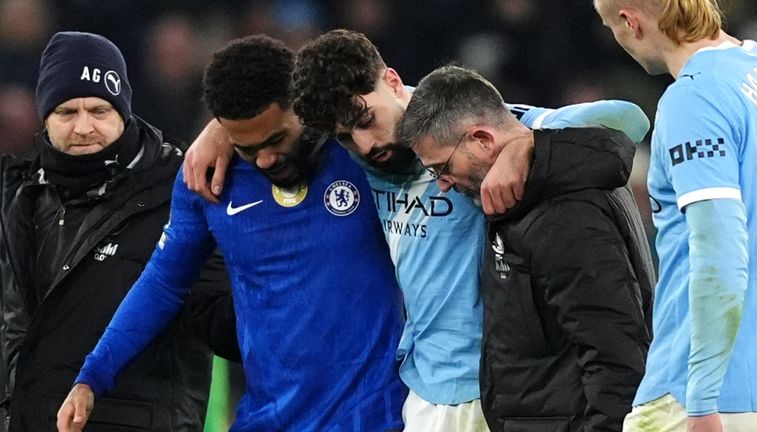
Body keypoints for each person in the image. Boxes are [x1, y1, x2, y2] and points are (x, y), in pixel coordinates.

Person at [184, 29, 653, 432]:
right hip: (424, 391)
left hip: (497, 386)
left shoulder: (462, 133)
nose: (366, 145)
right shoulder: (355, 161)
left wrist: (526, 145)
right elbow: (276, 108)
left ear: (392, 82)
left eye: (366, 120)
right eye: (345, 137)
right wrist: (220, 131)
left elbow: (630, 121)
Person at [56, 34, 406, 432]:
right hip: (266, 420)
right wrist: (93, 375)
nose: (266, 159)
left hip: (375, 419)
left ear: (303, 106)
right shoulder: (207, 179)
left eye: (276, 139)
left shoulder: (359, 151)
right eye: (247, 148)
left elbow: (406, 102)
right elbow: (163, 283)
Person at [0, 31, 238, 432]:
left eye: (99, 110)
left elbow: (222, 320)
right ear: (44, 117)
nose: (83, 127)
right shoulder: (20, 199)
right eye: (66, 112)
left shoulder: (181, 191)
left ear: (123, 112)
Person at [399, 65, 655, 432]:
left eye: (443, 168)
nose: (442, 185)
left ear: (482, 139)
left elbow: (614, 358)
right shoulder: (534, 195)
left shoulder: (563, 212)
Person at [593, 1, 757, 431]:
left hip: (707, 394)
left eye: (610, 26)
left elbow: (720, 256)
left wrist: (702, 398)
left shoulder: (694, 99)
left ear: (629, 21)